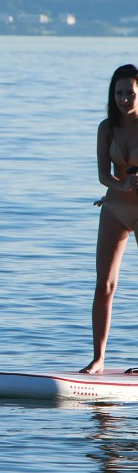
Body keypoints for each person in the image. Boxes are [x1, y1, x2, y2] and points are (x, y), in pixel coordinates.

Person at [84, 64, 138, 373]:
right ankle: (98, 359)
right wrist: (120, 186)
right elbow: (104, 173)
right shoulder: (106, 128)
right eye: (119, 93)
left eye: (130, 94)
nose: (124, 100)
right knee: (104, 285)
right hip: (115, 209)